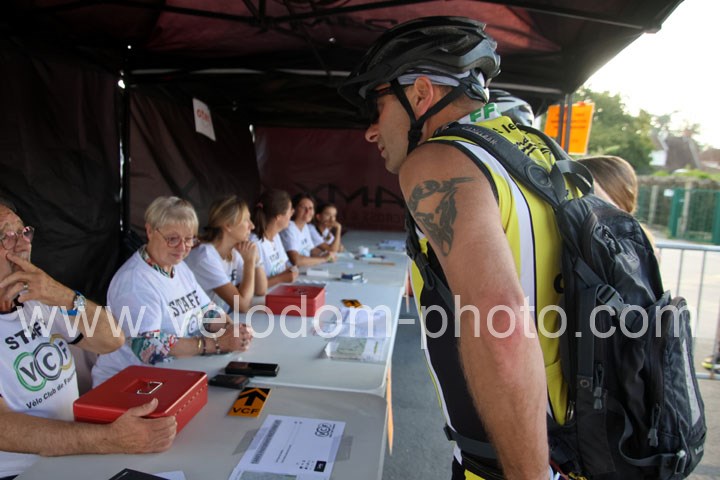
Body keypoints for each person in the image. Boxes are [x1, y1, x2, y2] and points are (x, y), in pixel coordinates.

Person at [340, 17, 566, 480]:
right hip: (591, 445)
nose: (371, 131)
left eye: (378, 107)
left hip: (519, 463)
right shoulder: (536, 150)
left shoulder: (438, 160)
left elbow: (500, 324)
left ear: (421, 93)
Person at [0, 199, 177, 478]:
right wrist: (109, 439)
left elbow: (112, 339)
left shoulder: (36, 299)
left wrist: (65, 296)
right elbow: (4, 429)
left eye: (24, 232)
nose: (23, 244)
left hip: (75, 454)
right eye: (6, 236)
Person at [92, 196, 253, 386]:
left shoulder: (178, 266)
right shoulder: (134, 281)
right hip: (128, 385)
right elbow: (149, 347)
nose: (182, 248)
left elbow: (207, 311)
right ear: (150, 231)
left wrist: (232, 330)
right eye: (172, 239)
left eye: (189, 239)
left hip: (171, 376)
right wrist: (217, 344)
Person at [185, 195, 268, 313]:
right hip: (201, 324)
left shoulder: (234, 251)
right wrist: (249, 262)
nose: (252, 226)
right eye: (246, 220)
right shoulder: (205, 256)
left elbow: (261, 290)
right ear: (228, 225)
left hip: (222, 320)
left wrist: (256, 259)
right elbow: (242, 305)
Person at [250, 189, 299, 288]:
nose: (292, 213)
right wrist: (281, 278)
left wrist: (291, 271)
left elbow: (284, 267)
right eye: (290, 210)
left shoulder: (276, 236)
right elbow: (251, 287)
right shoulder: (253, 242)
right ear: (279, 216)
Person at [279, 193, 337, 266]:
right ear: (294, 209)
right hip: (293, 270)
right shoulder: (289, 227)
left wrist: (325, 254)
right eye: (304, 208)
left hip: (305, 267)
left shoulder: (305, 226)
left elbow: (311, 250)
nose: (308, 211)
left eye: (310, 208)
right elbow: (296, 260)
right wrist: (324, 259)